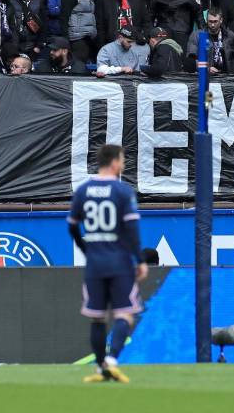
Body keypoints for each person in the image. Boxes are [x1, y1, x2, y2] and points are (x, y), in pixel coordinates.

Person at [68, 143, 146, 384]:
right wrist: (140, 260)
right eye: (122, 160)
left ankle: (101, 370)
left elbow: (72, 225)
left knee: (97, 318)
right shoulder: (122, 191)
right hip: (119, 262)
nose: (123, 165)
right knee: (126, 314)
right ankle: (111, 362)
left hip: (95, 263)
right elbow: (132, 230)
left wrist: (86, 249)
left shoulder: (83, 191)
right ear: (114, 162)